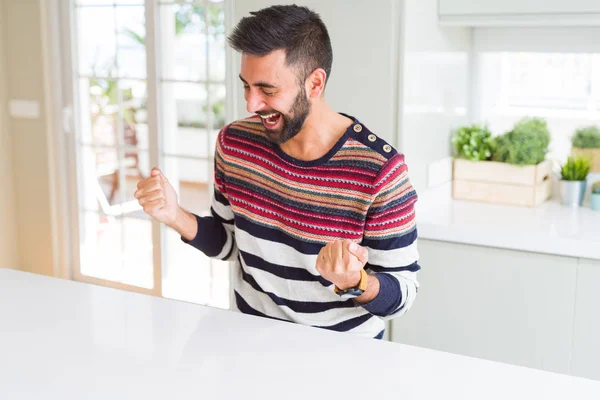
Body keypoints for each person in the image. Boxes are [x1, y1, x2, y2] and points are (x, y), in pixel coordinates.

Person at [135, 4, 420, 339]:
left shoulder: (379, 171)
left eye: (267, 90)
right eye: (247, 86)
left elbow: (403, 294)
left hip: (341, 355)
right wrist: (175, 215)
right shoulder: (235, 144)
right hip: (250, 339)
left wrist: (355, 281)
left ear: (315, 83)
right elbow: (230, 243)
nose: (252, 104)